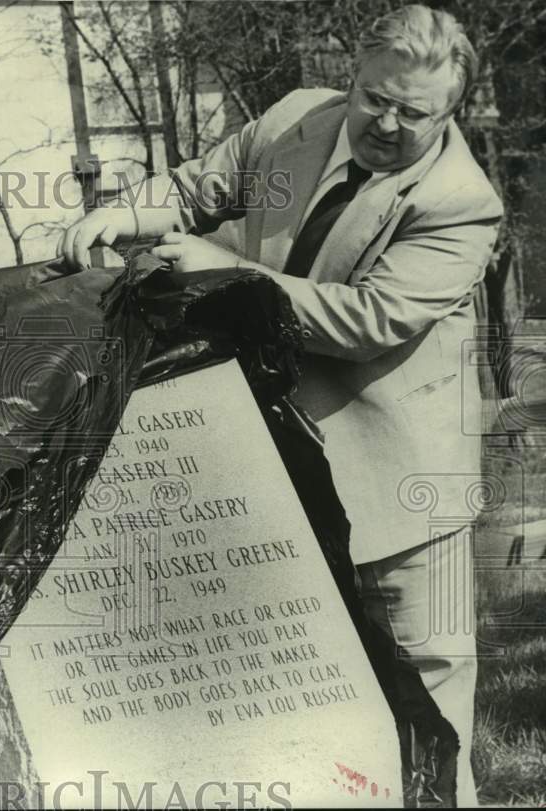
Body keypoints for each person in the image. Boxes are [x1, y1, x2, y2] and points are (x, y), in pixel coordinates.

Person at [58, 5, 500, 806]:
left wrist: (227, 276)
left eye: (415, 112)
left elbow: (368, 321)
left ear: (451, 112)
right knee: (315, 699)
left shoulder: (460, 199)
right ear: (354, 76)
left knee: (428, 703)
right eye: (375, 98)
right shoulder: (297, 117)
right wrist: (121, 215)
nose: (387, 124)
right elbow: (196, 189)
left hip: (406, 493)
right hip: (282, 472)